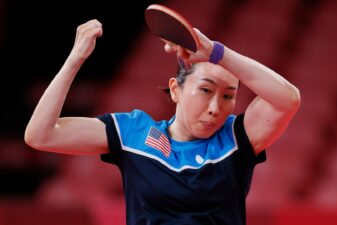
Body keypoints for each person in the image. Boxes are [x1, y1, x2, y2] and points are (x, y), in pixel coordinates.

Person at [25, 18, 301, 225]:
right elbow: (41, 135)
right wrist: (75, 59)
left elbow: (288, 98)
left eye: (229, 96)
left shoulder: (235, 139)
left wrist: (218, 53)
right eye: (205, 90)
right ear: (175, 89)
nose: (216, 108)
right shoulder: (133, 133)